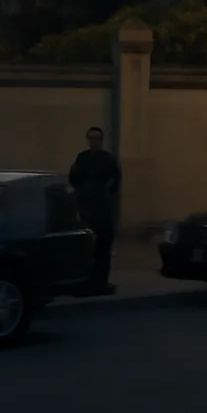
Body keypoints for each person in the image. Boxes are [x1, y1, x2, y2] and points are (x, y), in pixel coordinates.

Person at [69, 126, 122, 295]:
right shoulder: (82, 158)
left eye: (97, 138)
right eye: (91, 138)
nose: (94, 141)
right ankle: (86, 281)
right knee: (87, 248)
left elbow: (115, 182)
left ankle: (101, 282)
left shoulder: (109, 160)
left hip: (103, 210)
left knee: (103, 247)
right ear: (88, 140)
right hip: (87, 210)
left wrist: (103, 194)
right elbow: (74, 178)